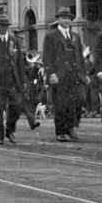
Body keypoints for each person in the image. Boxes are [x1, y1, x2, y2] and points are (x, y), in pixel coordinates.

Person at [0, 16, 39, 145]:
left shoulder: (14, 41)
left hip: (12, 80)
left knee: (17, 106)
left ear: (5, 27)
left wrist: (23, 81)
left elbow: (19, 64)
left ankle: (10, 129)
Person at [42, 7, 89, 142]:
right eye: (63, 18)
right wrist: (51, 73)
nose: (66, 20)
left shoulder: (76, 36)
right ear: (58, 19)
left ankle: (71, 126)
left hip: (75, 74)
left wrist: (84, 73)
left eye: (68, 18)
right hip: (59, 75)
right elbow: (47, 58)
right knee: (61, 104)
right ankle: (61, 131)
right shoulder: (51, 36)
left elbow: (80, 57)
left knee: (79, 99)